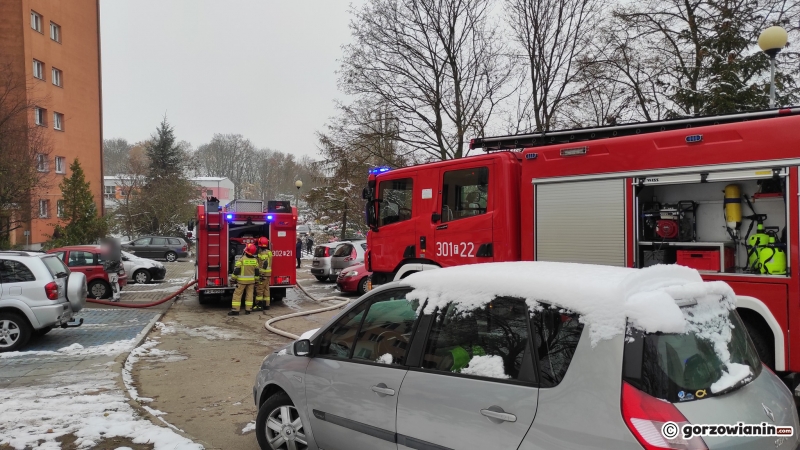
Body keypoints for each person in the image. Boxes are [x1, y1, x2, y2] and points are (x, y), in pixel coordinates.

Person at [229, 243, 259, 316]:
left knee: (237, 295)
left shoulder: (241, 260)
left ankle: (235, 310)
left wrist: (233, 278)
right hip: (251, 282)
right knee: (250, 295)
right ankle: (248, 310)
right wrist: (257, 281)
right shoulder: (255, 261)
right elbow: (257, 272)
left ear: (245, 251)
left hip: (241, 282)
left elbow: (236, 271)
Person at [254, 237, 272, 311]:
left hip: (264, 274)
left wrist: (261, 274)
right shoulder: (269, 252)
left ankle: (258, 305)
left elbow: (264, 264)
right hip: (268, 274)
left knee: (259, 289)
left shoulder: (263, 254)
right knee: (266, 289)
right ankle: (266, 304)